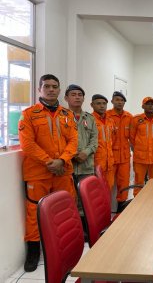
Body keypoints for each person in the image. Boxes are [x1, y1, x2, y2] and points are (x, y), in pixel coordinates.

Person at [19, 74, 78, 272]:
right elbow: (27, 144)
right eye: (47, 86)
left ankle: (66, 249)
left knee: (64, 210)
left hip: (63, 170)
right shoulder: (28, 114)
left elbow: (73, 141)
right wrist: (48, 161)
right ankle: (34, 251)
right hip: (38, 173)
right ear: (39, 89)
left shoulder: (67, 115)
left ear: (60, 90)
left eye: (55, 86)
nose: (51, 89)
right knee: (34, 212)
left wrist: (62, 160)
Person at [131, 97, 153, 195]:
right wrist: (139, 149)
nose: (150, 106)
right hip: (140, 158)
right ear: (143, 106)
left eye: (152, 104)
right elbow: (132, 138)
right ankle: (137, 202)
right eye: (148, 104)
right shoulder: (136, 119)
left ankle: (152, 201)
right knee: (138, 182)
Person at [64, 84, 98, 185]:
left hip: (86, 167)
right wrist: (72, 154)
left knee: (86, 198)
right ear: (66, 98)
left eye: (80, 95)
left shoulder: (90, 118)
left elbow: (94, 140)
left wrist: (86, 153)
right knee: (70, 198)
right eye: (73, 94)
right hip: (67, 166)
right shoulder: (61, 117)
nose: (77, 97)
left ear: (83, 99)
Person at [107, 91, 134, 212]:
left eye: (122, 100)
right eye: (117, 99)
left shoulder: (129, 117)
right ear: (112, 101)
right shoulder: (106, 116)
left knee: (124, 183)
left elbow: (132, 137)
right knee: (108, 184)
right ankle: (104, 210)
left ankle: (120, 210)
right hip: (110, 157)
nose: (119, 102)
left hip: (124, 157)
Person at [91, 94, 115, 190]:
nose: (102, 106)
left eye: (104, 104)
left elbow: (113, 139)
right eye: (98, 103)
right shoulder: (89, 120)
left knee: (108, 189)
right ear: (92, 105)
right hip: (96, 164)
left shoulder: (110, 121)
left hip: (109, 164)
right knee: (97, 192)